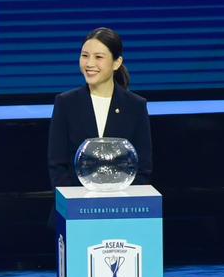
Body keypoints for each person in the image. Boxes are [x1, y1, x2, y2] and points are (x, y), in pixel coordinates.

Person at [48, 27, 152, 189]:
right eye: (85, 56)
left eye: (98, 57)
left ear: (117, 62)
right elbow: (57, 166)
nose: (89, 63)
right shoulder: (66, 103)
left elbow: (142, 168)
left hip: (123, 201)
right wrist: (76, 200)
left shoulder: (135, 105)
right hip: (76, 200)